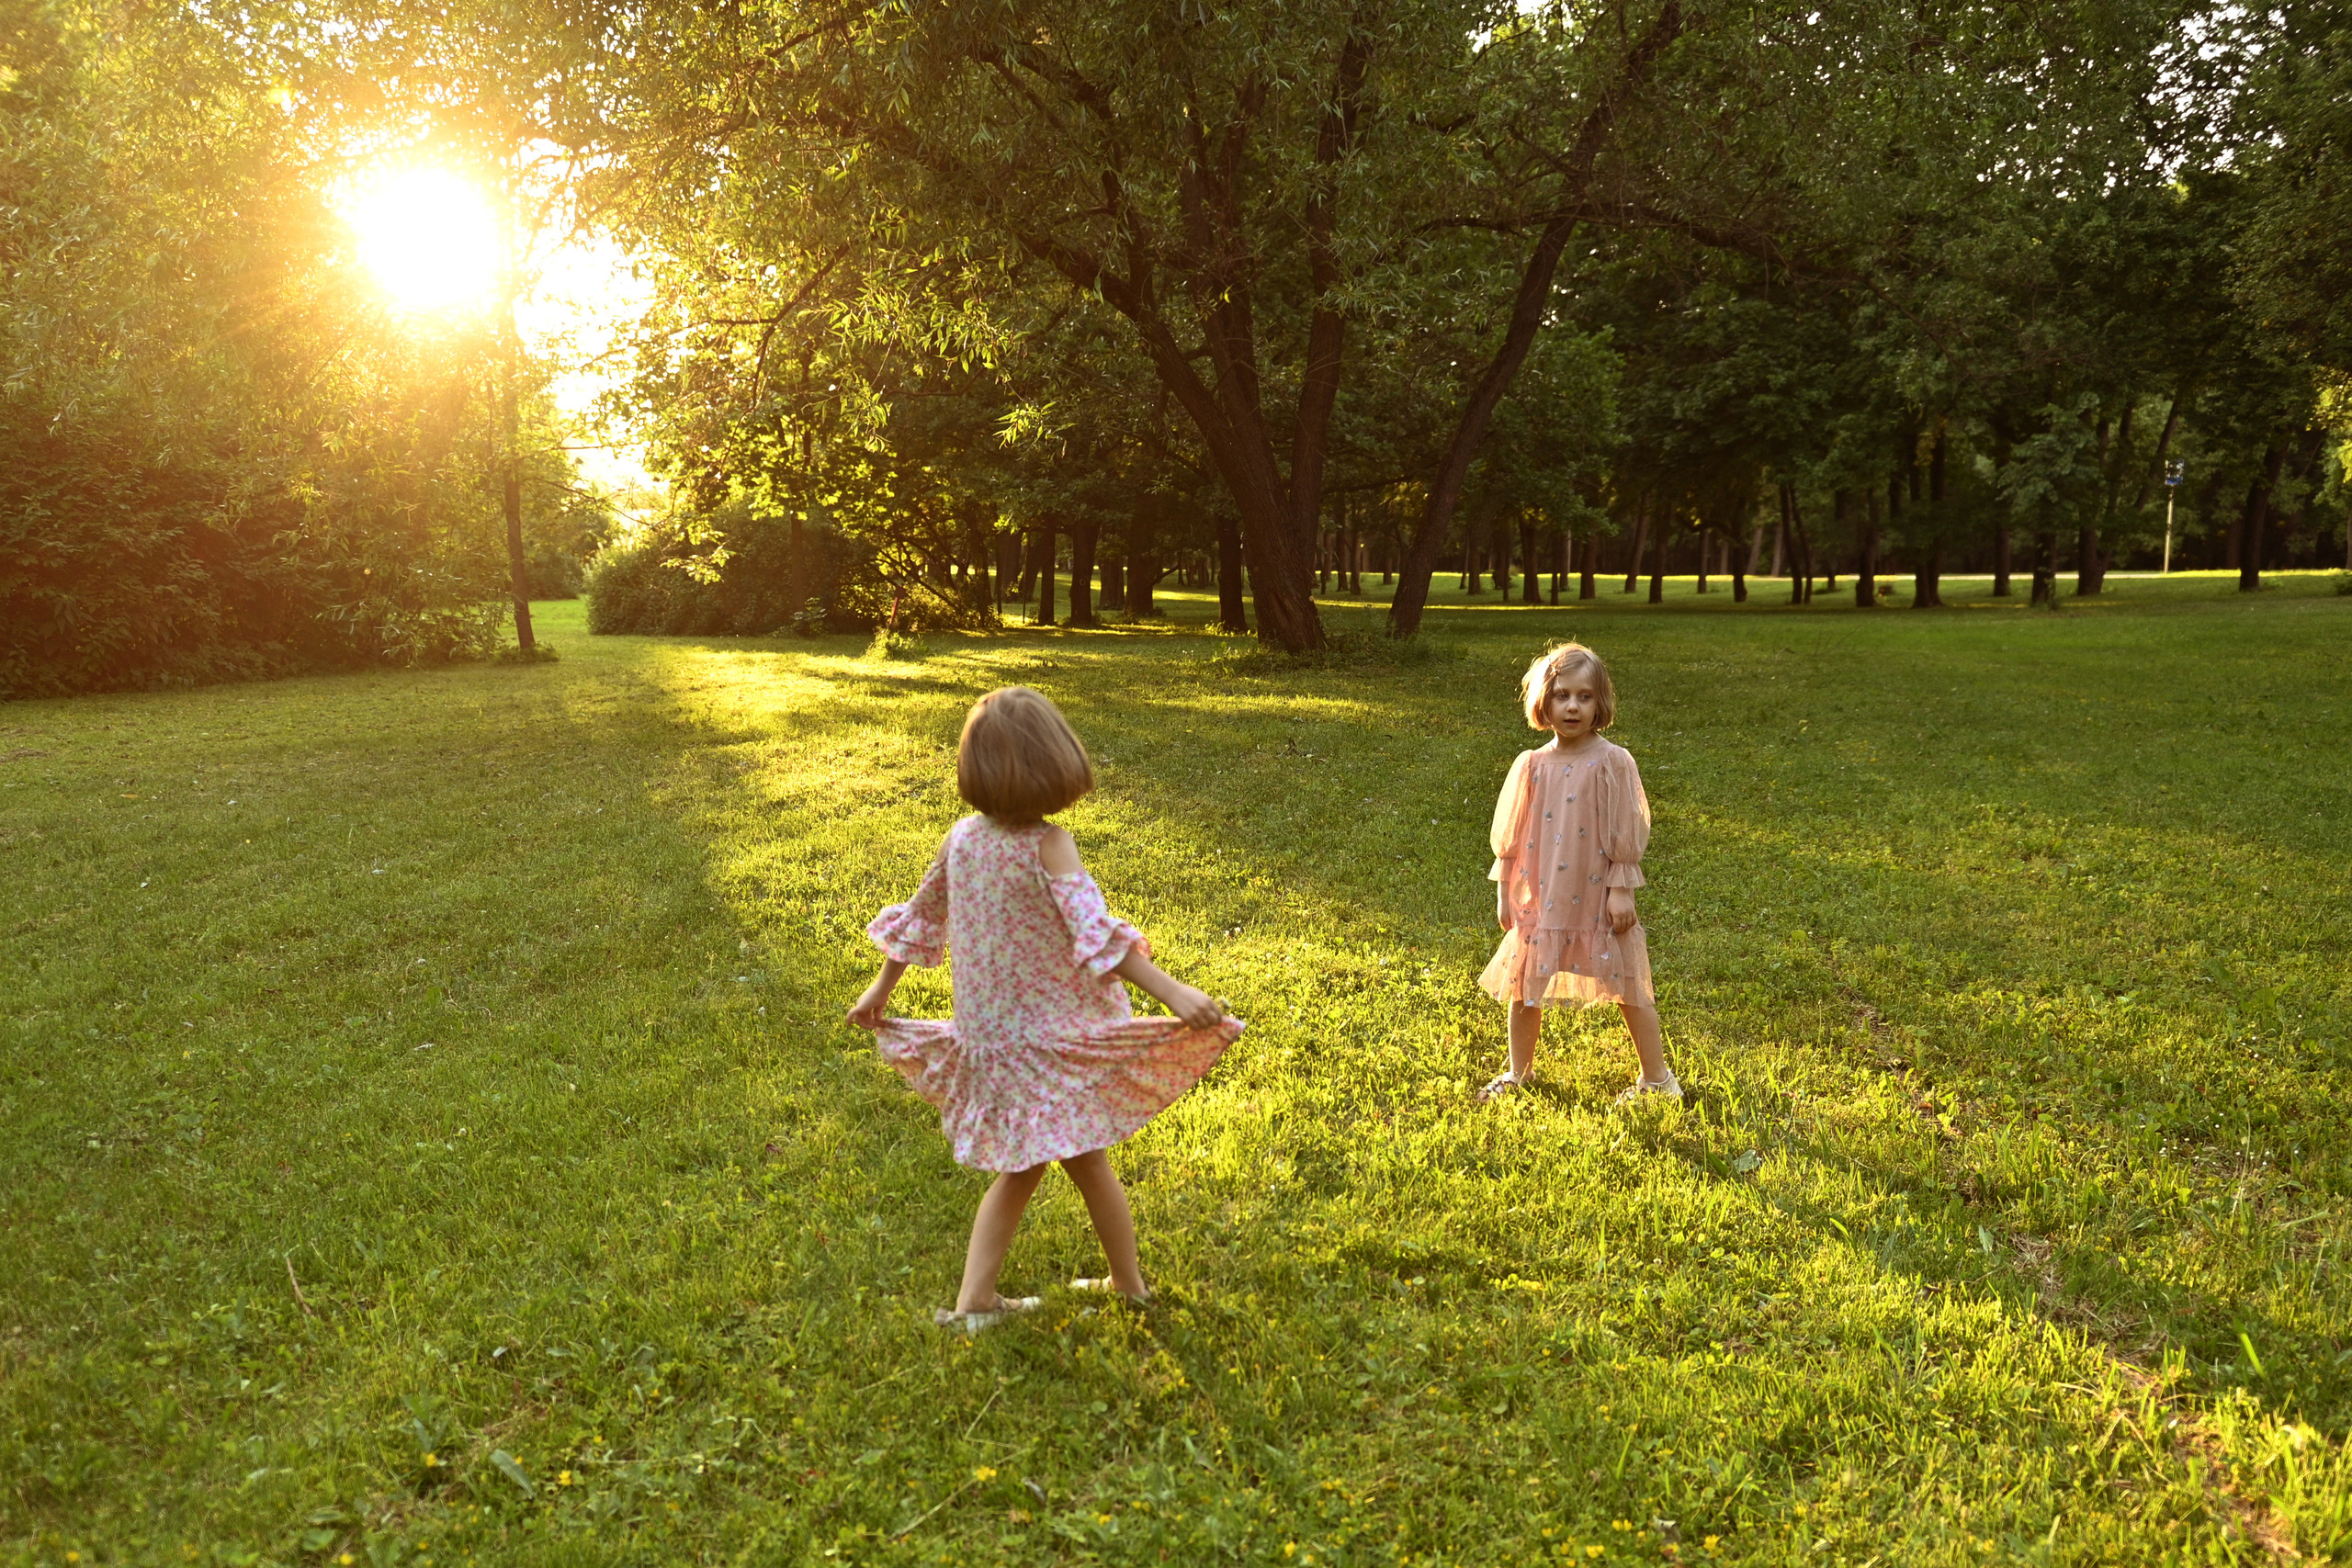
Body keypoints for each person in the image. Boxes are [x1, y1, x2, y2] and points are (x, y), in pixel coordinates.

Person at [847, 686, 1243, 1331]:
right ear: (1053, 764)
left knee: (1035, 1165)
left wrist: (880, 988)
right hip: (1052, 1038)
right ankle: (1122, 1287)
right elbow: (1097, 935)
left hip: (997, 1039)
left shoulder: (963, 839)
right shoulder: (1048, 845)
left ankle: (1006, 1296)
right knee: (1077, 1162)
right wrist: (1172, 992)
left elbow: (920, 918)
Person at [1477, 642, 1679, 1104]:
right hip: (1541, 895)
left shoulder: (1612, 762)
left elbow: (1624, 831)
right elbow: (1510, 836)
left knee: (1629, 986)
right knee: (1525, 985)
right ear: (1543, 703)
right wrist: (1505, 890)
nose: (1572, 706)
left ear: (1600, 703)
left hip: (1595, 894)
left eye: (1585, 696)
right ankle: (1518, 1072)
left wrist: (1621, 888)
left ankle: (1658, 1080)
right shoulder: (1530, 765)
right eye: (1562, 695)